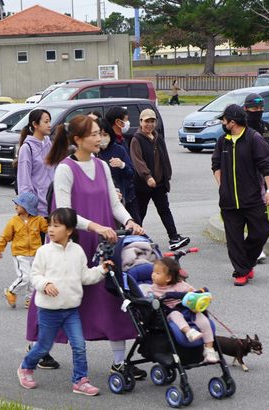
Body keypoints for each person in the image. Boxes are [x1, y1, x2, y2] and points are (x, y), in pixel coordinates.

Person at [46, 114, 147, 380]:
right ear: (77, 139)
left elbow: (114, 204)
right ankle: (38, 349)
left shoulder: (102, 166)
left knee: (113, 300)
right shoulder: (65, 169)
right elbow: (64, 211)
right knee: (59, 300)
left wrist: (129, 221)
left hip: (104, 241)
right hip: (74, 243)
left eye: (99, 133)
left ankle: (119, 362)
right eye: (93, 134)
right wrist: (95, 226)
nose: (99, 138)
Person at [17, 208, 113, 396]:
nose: (51, 229)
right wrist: (45, 284)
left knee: (79, 345)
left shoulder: (77, 251)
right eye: (50, 225)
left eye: (56, 225)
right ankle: (25, 367)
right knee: (44, 346)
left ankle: (80, 381)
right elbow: (34, 275)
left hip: (71, 310)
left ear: (69, 230)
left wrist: (101, 270)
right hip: (48, 310)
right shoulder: (44, 251)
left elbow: (85, 276)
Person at [211, 104, 269, 286]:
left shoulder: (254, 139)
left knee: (262, 231)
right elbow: (216, 165)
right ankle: (241, 272)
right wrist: (223, 186)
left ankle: (245, 262)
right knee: (234, 240)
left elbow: (266, 166)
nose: (222, 123)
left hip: (253, 199)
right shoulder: (223, 141)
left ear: (232, 122)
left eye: (224, 120)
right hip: (229, 201)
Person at [130, 109, 190, 251]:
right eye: (147, 121)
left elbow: (165, 158)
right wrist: (147, 176)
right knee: (140, 212)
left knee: (164, 210)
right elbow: (137, 161)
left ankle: (174, 238)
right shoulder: (136, 139)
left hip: (159, 183)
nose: (150, 124)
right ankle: (133, 239)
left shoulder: (158, 137)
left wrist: (167, 175)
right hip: (143, 185)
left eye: (152, 121)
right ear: (140, 122)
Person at [150, 257, 219, 363]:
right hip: (170, 313)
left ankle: (209, 349)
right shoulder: (153, 289)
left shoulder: (180, 285)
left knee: (203, 320)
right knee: (176, 314)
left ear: (168, 278)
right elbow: (149, 300)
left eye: (157, 273)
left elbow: (193, 292)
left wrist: (197, 294)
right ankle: (189, 332)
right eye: (153, 272)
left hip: (186, 310)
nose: (153, 275)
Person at [243, 93, 269, 263]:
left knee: (259, 215)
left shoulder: (266, 128)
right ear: (246, 109)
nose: (258, 111)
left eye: (260, 108)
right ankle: (242, 247)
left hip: (262, 178)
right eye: (254, 108)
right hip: (241, 178)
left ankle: (256, 248)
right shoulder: (240, 128)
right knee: (241, 215)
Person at [0, 192, 48, 308]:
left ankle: (30, 299)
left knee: (33, 278)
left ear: (26, 207)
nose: (15, 207)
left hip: (35, 253)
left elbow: (48, 229)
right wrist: (0, 248)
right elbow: (5, 236)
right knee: (25, 277)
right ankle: (11, 291)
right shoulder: (13, 221)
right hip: (20, 254)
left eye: (18, 205)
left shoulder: (38, 220)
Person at [97, 118, 140, 224]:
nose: (102, 138)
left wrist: (122, 165)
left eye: (105, 134)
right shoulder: (92, 153)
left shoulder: (119, 150)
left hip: (123, 198)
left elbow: (131, 173)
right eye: (98, 134)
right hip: (101, 202)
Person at [16, 109, 54, 218]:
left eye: (49, 121)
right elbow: (24, 182)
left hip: (52, 205)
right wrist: (29, 208)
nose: (49, 125)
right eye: (46, 122)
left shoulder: (49, 144)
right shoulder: (27, 148)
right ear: (35, 124)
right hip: (37, 210)